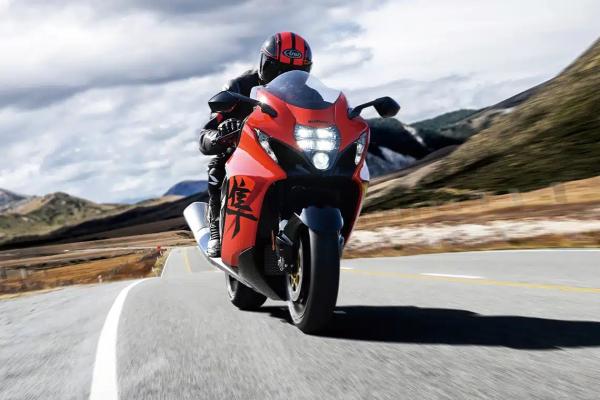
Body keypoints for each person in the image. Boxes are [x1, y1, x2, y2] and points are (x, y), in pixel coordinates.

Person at [199, 32, 313, 257]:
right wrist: (221, 134)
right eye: (277, 69)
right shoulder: (239, 87)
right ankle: (216, 228)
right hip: (246, 153)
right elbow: (206, 133)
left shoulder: (309, 95)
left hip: (288, 151)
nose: (285, 77)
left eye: (294, 72)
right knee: (218, 166)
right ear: (263, 63)